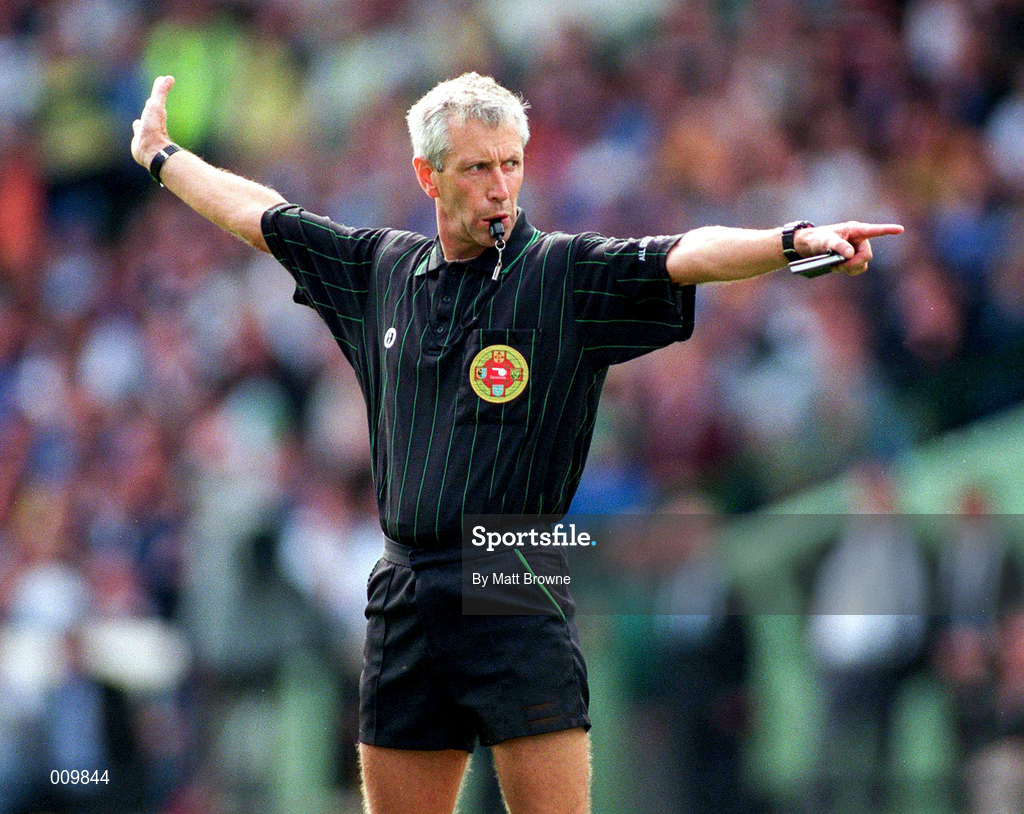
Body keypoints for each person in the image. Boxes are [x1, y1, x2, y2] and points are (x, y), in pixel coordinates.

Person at [130, 71, 904, 814]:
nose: (501, 186)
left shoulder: (561, 273)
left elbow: (682, 253)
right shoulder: (381, 270)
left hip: (512, 562)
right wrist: (165, 158)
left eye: (512, 164)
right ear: (428, 176)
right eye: (477, 168)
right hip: (403, 581)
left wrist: (796, 241)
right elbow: (262, 216)